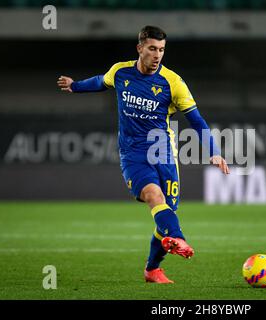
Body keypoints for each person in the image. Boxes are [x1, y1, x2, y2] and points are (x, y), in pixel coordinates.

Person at [57, 26, 229, 284]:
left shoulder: (173, 83)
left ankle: (152, 269)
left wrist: (214, 152)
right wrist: (75, 86)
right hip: (133, 154)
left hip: (164, 154)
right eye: (152, 49)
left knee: (165, 213)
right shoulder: (121, 72)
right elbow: (100, 81)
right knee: (154, 196)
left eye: (161, 50)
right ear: (140, 48)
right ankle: (179, 238)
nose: (157, 55)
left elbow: (197, 120)